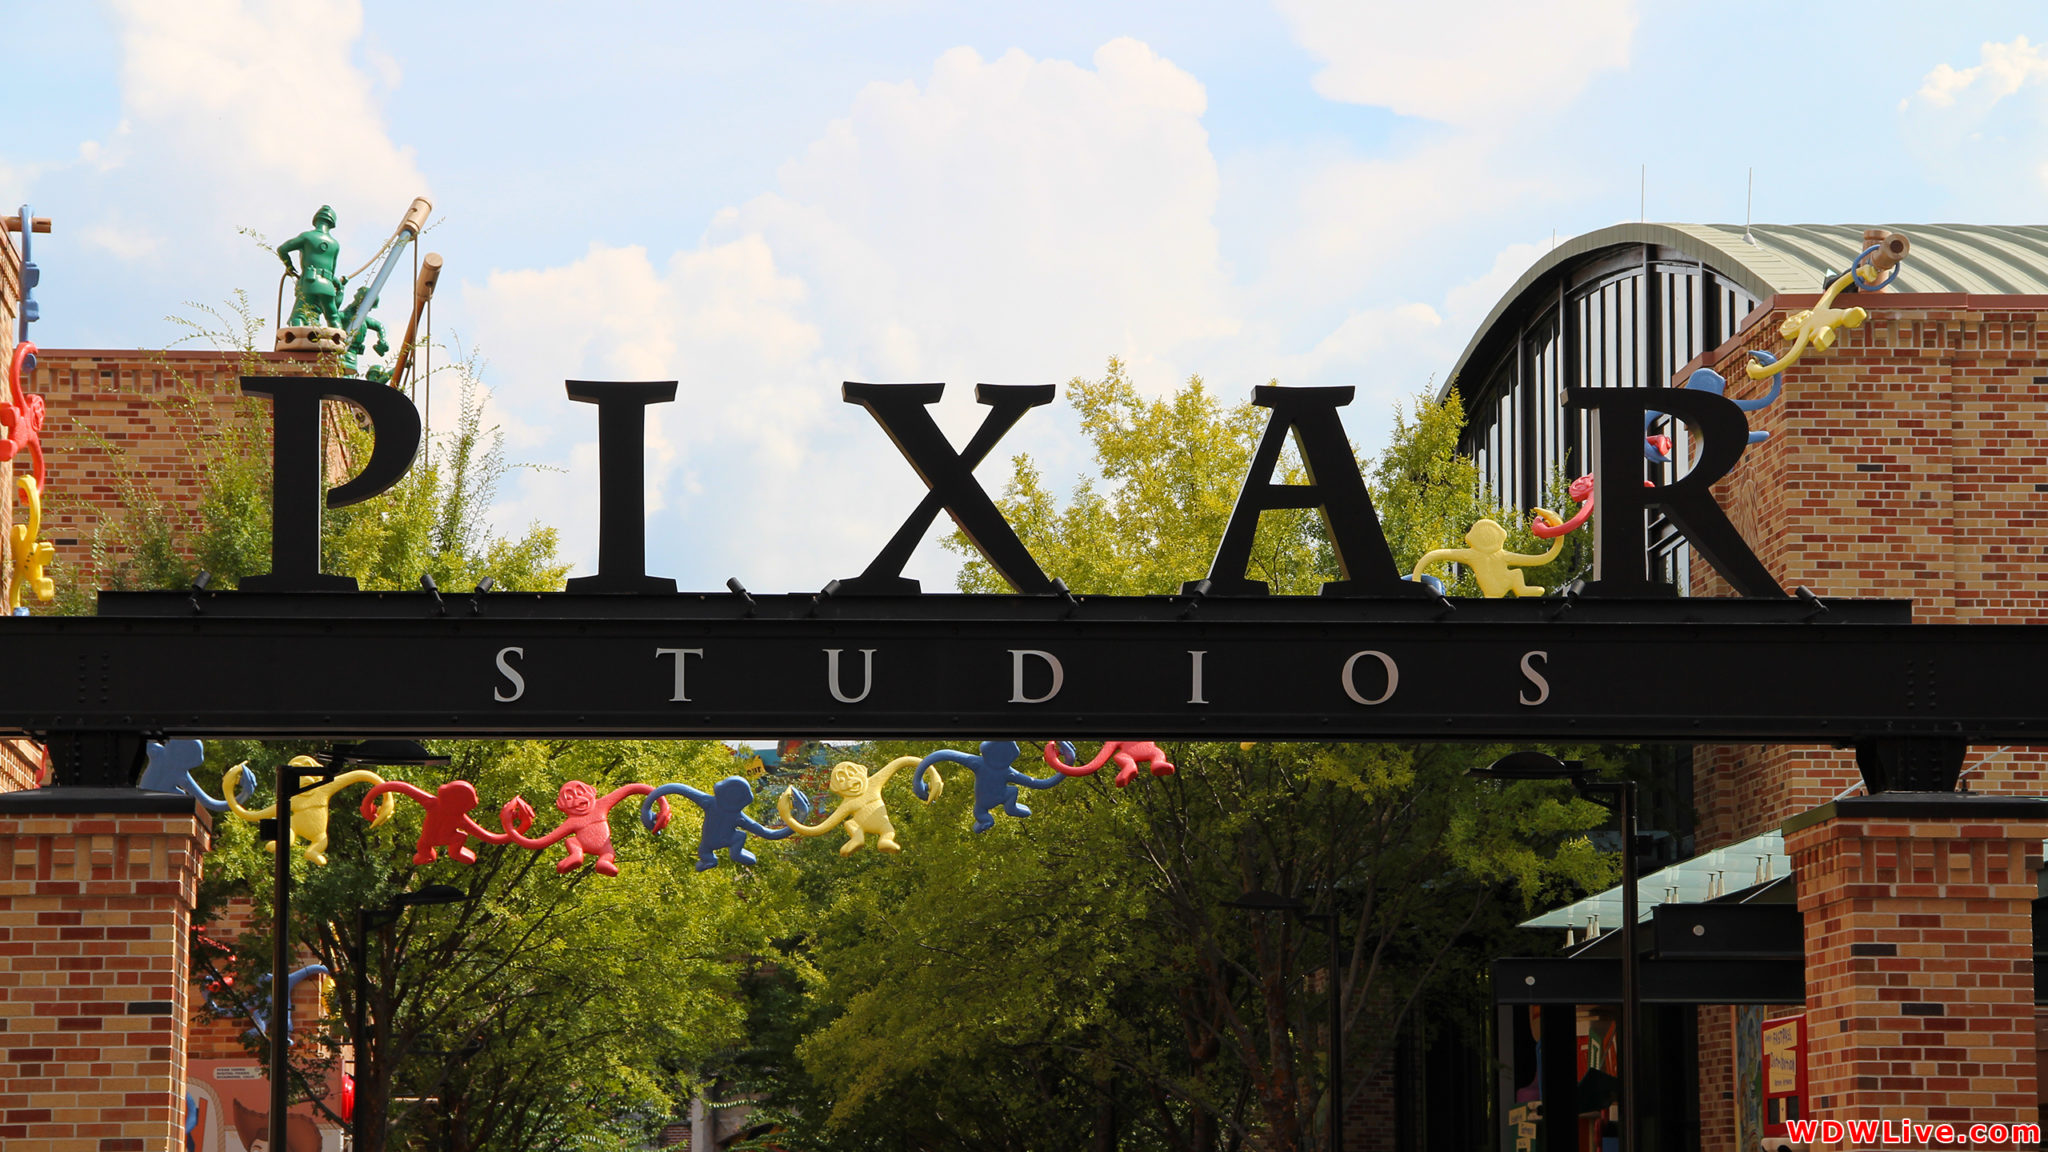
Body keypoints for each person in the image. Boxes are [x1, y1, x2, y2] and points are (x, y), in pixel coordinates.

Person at [277, 205, 346, 328]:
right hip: (327, 285)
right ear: (332, 223)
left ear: (316, 220)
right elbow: (332, 271)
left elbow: (282, 249)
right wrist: (338, 284)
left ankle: (298, 338)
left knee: (298, 316)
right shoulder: (335, 244)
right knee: (332, 316)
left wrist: (290, 267)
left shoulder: (307, 237)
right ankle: (340, 338)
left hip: (310, 282)